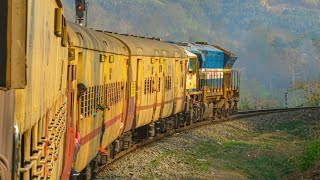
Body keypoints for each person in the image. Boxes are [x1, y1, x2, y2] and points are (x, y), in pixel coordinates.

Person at [71, 83, 87, 177]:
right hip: (71, 132)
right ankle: (70, 168)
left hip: (75, 132)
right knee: (76, 147)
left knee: (77, 146)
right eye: (81, 92)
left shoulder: (76, 99)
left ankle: (71, 167)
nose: (81, 94)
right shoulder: (73, 98)